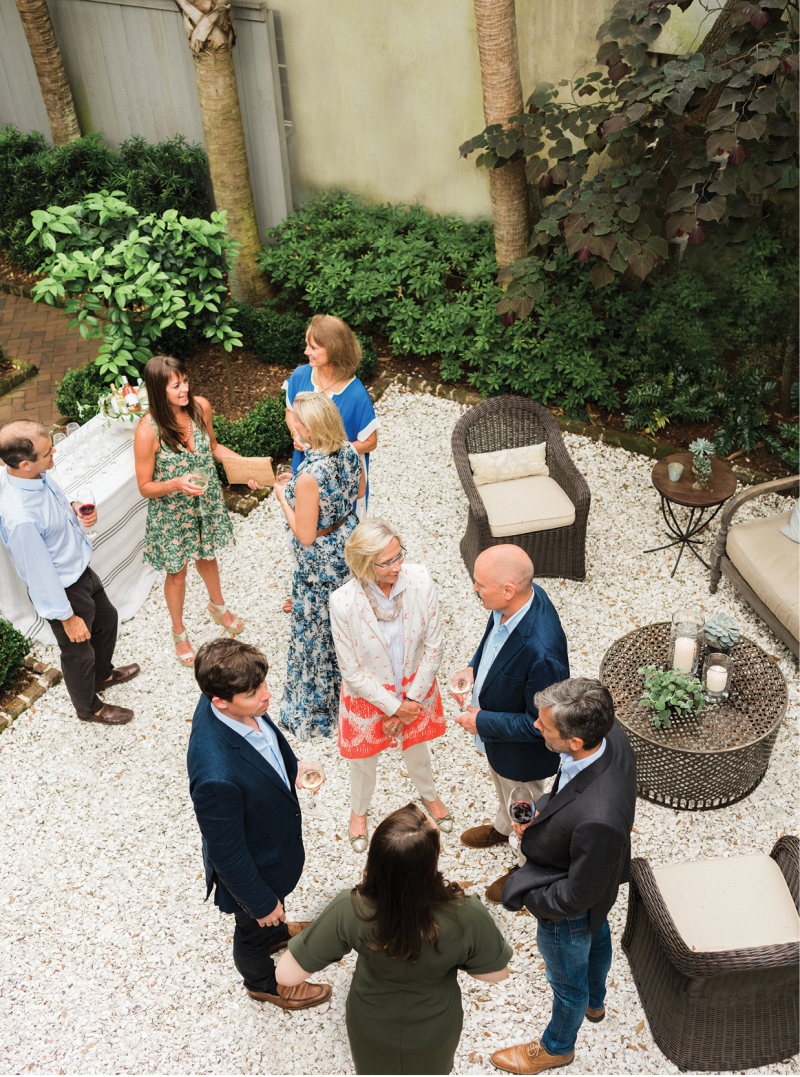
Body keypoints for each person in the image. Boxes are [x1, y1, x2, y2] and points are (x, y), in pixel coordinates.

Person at [276, 804, 512, 1076]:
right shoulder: (467, 914)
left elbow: (286, 975)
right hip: (433, 1030)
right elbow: (496, 974)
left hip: (371, 1025)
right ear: (431, 860)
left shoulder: (350, 908)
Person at [492, 678, 637, 1076]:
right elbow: (569, 789)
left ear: (574, 741)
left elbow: (573, 897)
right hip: (599, 879)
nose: (537, 727)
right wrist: (544, 810)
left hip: (568, 909)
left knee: (566, 984)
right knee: (599, 933)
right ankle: (597, 1002)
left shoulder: (599, 818)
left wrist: (533, 901)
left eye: (546, 727)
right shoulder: (608, 735)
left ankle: (557, 1047)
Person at [187, 636, 332, 1011]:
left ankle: (278, 933)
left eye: (264, 684)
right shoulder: (214, 775)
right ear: (219, 701)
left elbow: (266, 736)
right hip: (255, 872)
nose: (267, 697)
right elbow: (227, 852)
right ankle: (264, 984)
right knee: (252, 932)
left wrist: (291, 766)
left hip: (274, 848)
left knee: (271, 920)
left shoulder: (231, 697)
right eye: (254, 693)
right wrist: (261, 903)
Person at [0, 420, 139, 725]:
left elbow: (54, 504)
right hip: (63, 589)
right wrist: (67, 617)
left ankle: (101, 676)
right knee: (78, 654)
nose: (55, 453)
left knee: (107, 620)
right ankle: (88, 708)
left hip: (80, 569)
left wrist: (72, 509)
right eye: (48, 451)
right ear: (24, 464)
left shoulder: (29, 474)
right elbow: (38, 574)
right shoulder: (20, 517)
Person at [453, 545, 569, 903]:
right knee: (503, 789)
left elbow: (540, 725)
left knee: (526, 810)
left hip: (522, 757)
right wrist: (473, 667)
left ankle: (527, 865)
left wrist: (481, 720)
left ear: (508, 588)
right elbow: (492, 638)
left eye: (480, 584)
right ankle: (503, 828)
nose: (474, 589)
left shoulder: (543, 652)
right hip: (499, 747)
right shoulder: (512, 602)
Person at [330, 518, 451, 851]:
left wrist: (411, 700)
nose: (399, 566)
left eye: (400, 555)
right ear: (365, 564)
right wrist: (395, 706)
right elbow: (351, 671)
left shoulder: (421, 580)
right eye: (387, 562)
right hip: (369, 696)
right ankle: (359, 813)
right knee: (363, 762)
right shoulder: (342, 603)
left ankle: (430, 796)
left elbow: (434, 645)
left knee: (418, 751)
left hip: (416, 688)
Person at [134, 355, 259, 665]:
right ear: (157, 390)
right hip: (171, 511)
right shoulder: (148, 430)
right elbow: (144, 486)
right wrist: (175, 483)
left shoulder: (201, 407)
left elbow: (214, 448)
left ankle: (217, 607)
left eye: (185, 381)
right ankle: (179, 632)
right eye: (176, 386)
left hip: (205, 502)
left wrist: (243, 467)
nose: (185, 389)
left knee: (208, 555)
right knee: (177, 574)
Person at [274, 391, 364, 739]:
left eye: (296, 421)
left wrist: (284, 497)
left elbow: (306, 535)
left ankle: (319, 711)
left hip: (321, 561)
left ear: (310, 428)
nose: (292, 424)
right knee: (348, 621)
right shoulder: (350, 450)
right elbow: (357, 493)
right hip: (349, 542)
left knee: (318, 631)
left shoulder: (310, 475)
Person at [280, 314, 378, 613]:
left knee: (336, 531)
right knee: (301, 528)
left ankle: (347, 591)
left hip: (338, 477)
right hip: (305, 467)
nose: (306, 352)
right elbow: (289, 413)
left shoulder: (356, 393)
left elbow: (370, 441)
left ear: (333, 350)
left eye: (313, 347)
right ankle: (305, 583)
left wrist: (328, 446)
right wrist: (297, 436)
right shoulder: (300, 375)